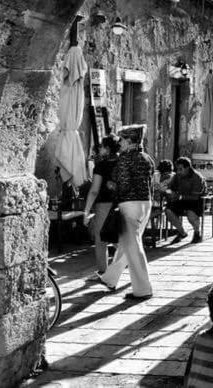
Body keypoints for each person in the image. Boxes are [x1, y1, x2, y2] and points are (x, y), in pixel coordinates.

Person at [96, 125, 155, 300]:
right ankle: (110, 278)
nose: (119, 143)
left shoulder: (124, 159)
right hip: (146, 203)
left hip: (129, 204)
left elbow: (123, 185)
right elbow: (149, 184)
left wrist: (112, 186)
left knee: (133, 247)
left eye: (122, 140)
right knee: (127, 244)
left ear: (129, 141)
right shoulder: (147, 158)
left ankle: (143, 289)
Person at [82, 134, 120, 278]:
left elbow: (94, 190)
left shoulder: (101, 165)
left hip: (104, 204)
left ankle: (103, 271)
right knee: (118, 236)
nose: (100, 149)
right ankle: (130, 262)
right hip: (122, 203)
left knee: (101, 238)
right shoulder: (123, 162)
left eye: (102, 146)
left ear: (107, 148)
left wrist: (86, 210)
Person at [164, 157, 206, 244]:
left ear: (187, 168)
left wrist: (179, 196)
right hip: (181, 199)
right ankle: (182, 233)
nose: (178, 172)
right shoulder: (176, 176)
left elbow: (195, 197)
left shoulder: (197, 177)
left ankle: (197, 233)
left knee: (190, 214)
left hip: (196, 201)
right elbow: (168, 188)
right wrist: (169, 193)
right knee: (168, 211)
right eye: (177, 169)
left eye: (180, 169)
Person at [151, 158, 174, 241]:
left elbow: (172, 191)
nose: (166, 174)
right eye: (164, 173)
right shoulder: (155, 175)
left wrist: (163, 191)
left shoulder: (173, 177)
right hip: (152, 199)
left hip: (164, 201)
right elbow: (150, 187)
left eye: (168, 173)